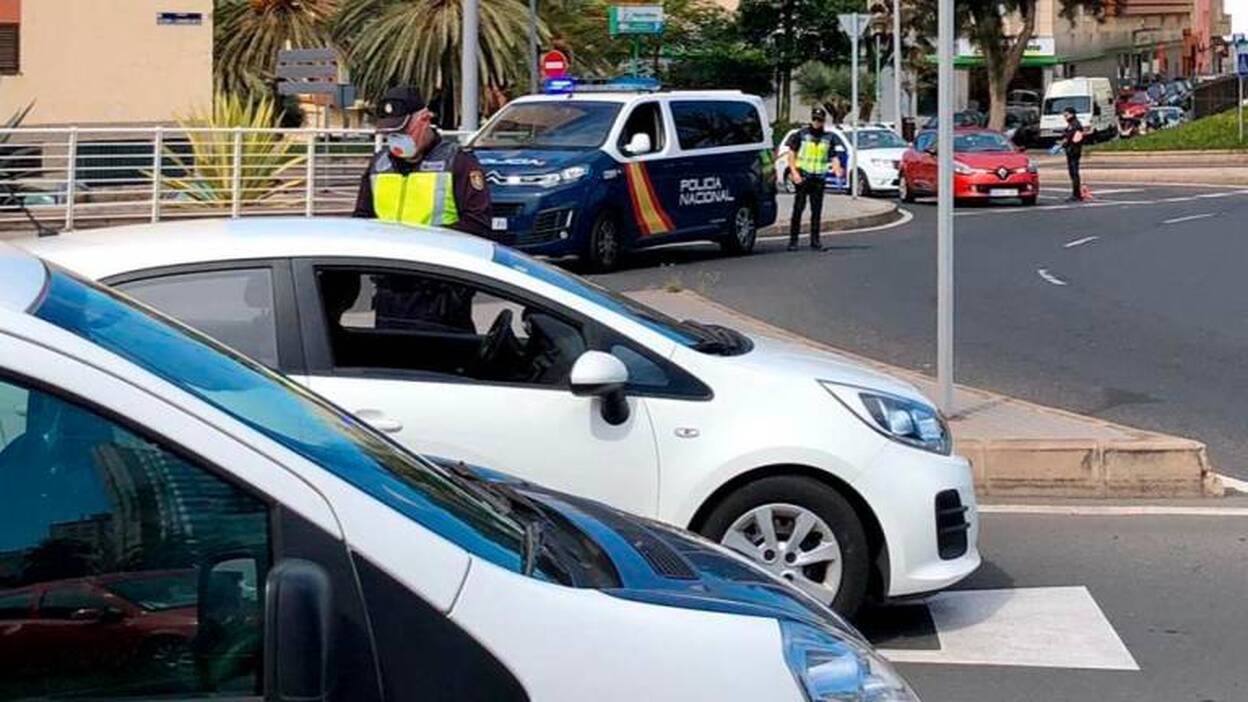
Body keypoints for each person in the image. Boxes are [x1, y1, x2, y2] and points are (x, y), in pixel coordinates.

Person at [352, 86, 492, 235]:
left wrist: (425, 238)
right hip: (389, 254)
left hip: (437, 255)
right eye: (389, 133)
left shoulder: (458, 162)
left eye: (402, 130)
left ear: (424, 119)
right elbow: (363, 218)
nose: (395, 138)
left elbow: (478, 224)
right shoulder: (378, 165)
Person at [786, 107, 845, 251]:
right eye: (814, 119)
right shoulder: (801, 134)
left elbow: (833, 156)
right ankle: (793, 241)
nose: (816, 122)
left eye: (819, 120)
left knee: (816, 211)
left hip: (819, 178)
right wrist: (794, 172)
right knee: (798, 209)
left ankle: (815, 241)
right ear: (811, 119)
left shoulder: (829, 137)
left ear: (824, 121)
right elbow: (791, 154)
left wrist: (837, 169)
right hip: (803, 176)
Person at [1059, 106, 1086, 202]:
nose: (1065, 117)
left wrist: (1066, 142)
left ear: (1072, 114)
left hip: (1074, 151)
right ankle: (1076, 193)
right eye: (1064, 115)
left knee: (1074, 172)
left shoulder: (1076, 125)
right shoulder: (1071, 125)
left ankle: (1076, 194)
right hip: (1070, 151)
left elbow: (1076, 138)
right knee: (1072, 172)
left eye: (1066, 115)